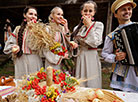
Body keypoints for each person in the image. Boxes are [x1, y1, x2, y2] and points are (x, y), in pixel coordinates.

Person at [102, 0, 138, 92]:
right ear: (115, 14)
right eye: (123, 9)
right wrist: (115, 57)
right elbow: (105, 54)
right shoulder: (112, 36)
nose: (127, 11)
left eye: (129, 9)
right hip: (123, 75)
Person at [3, 6, 43, 79]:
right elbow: (9, 44)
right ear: (25, 15)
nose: (33, 16)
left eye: (35, 15)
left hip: (34, 59)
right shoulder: (17, 29)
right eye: (31, 14)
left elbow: (44, 45)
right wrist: (14, 47)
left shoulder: (41, 29)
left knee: (34, 83)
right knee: (21, 83)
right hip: (20, 60)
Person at [72, 1, 104, 88]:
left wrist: (89, 25)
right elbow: (75, 43)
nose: (87, 13)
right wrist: (74, 45)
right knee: (80, 80)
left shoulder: (98, 25)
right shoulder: (77, 28)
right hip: (81, 56)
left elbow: (94, 43)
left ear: (94, 12)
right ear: (81, 12)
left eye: (90, 11)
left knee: (92, 80)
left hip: (91, 56)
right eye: (85, 10)